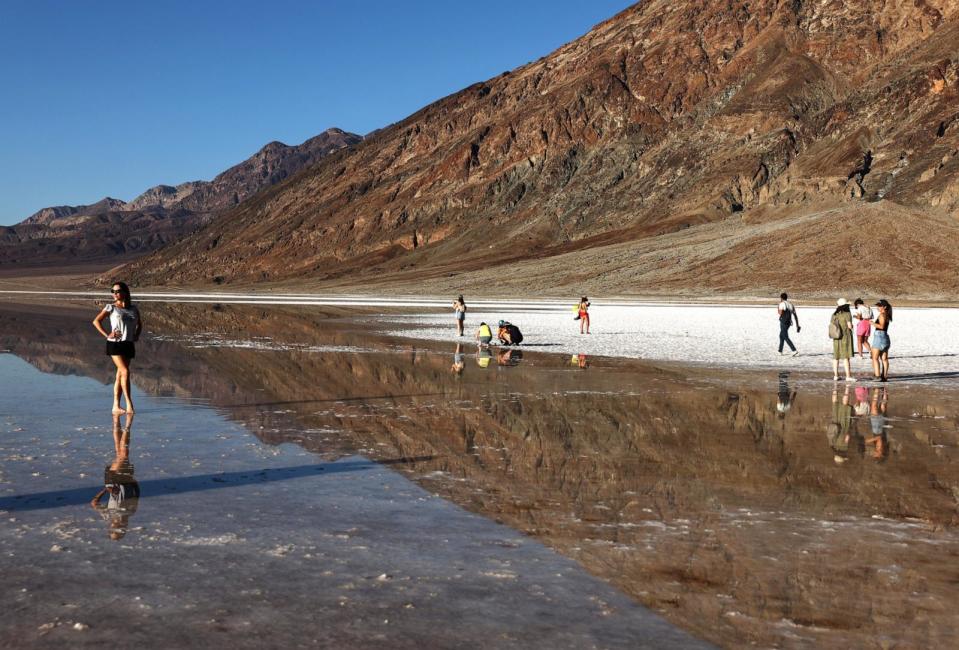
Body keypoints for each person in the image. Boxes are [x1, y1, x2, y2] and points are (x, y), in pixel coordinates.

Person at [92, 281, 142, 414]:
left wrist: (136, 334)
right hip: (115, 344)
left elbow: (139, 324)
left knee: (120, 374)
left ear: (125, 292)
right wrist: (107, 334)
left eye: (117, 291)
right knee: (125, 371)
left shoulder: (133, 309)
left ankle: (116, 406)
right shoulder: (111, 308)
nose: (114, 294)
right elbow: (96, 321)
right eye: (112, 291)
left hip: (128, 343)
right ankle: (129, 404)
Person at [91, 413, 140, 540]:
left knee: (123, 454)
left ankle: (128, 424)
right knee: (120, 451)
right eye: (116, 530)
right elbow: (136, 497)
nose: (113, 526)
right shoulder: (130, 513)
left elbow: (94, 503)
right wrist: (135, 484)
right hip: (127, 480)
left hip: (113, 481)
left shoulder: (108, 515)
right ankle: (117, 420)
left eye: (111, 529)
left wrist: (105, 490)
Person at [830, 298, 855, 382]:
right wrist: (852, 326)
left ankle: (836, 375)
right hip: (845, 337)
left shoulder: (834, 314)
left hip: (836, 337)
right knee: (846, 357)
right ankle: (848, 376)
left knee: (836, 357)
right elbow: (849, 326)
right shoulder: (847, 314)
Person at [870, 299, 893, 382]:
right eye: (878, 306)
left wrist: (872, 323)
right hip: (885, 337)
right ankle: (884, 376)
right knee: (884, 358)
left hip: (879, 336)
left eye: (879, 306)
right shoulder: (887, 315)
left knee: (875, 358)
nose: (878, 307)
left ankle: (877, 376)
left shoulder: (882, 315)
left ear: (884, 307)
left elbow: (881, 326)